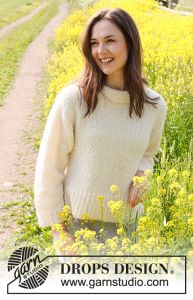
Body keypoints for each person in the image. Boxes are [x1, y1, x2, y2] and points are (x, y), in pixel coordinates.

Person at [34, 8, 167, 252]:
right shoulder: (74, 99)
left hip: (128, 228)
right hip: (77, 226)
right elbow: (49, 166)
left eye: (110, 41)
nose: (101, 51)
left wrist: (143, 176)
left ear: (130, 42)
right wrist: (59, 231)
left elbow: (148, 156)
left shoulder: (155, 106)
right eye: (94, 43)